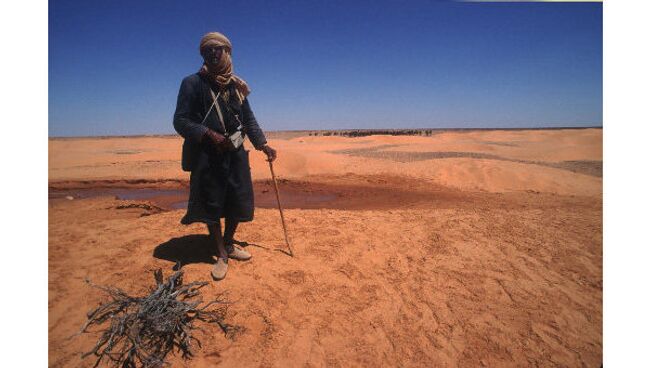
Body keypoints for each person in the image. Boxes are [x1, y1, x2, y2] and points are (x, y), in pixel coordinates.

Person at [173, 32, 277, 281]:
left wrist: (263, 144)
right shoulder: (192, 83)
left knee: (237, 199)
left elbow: (249, 120)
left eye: (216, 49)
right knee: (212, 201)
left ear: (227, 52)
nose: (211, 53)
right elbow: (180, 120)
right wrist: (208, 133)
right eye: (206, 51)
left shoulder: (235, 85)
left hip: (236, 152)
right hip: (208, 155)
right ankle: (221, 254)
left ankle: (229, 242)